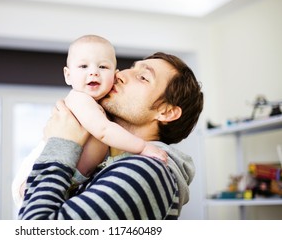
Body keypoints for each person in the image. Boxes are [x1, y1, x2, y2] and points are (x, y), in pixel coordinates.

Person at [18, 51, 204, 220]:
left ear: (166, 112)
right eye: (130, 68)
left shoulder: (146, 171)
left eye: (142, 77)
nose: (119, 74)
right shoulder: (102, 163)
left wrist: (61, 144)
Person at [12, 35, 168, 207]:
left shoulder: (105, 108)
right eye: (83, 66)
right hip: (35, 173)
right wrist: (143, 147)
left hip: (69, 181)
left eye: (102, 66)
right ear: (68, 75)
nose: (93, 72)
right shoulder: (80, 100)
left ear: (115, 76)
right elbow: (103, 131)